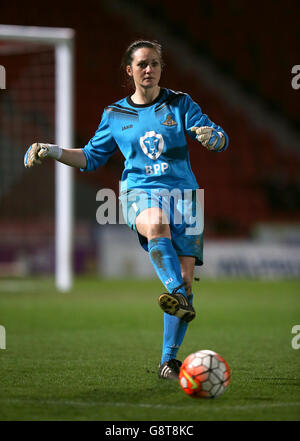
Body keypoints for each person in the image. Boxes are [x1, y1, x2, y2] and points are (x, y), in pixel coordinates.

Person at [24, 40, 229, 380]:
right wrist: (52, 150)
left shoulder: (181, 104)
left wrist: (214, 138)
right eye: (142, 64)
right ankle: (176, 293)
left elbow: (219, 136)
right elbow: (90, 157)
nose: (149, 70)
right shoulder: (115, 115)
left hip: (187, 199)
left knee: (188, 285)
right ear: (129, 70)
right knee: (157, 224)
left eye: (155, 64)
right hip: (140, 192)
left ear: (162, 69)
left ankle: (168, 360)